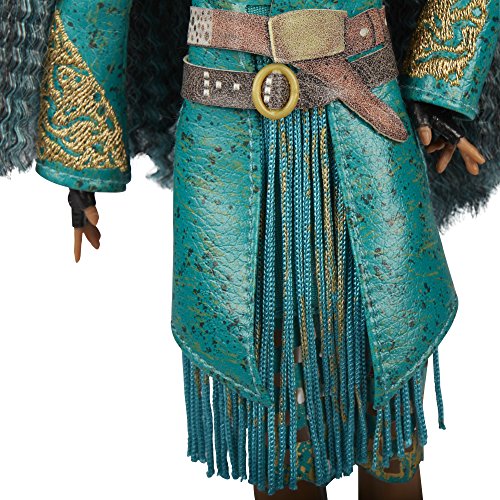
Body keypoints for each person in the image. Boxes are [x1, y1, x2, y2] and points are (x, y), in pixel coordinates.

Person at [0, 1, 498, 498]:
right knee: (274, 413)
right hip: (229, 147)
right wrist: (84, 151)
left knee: (387, 387)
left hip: (364, 121)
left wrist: (440, 86)